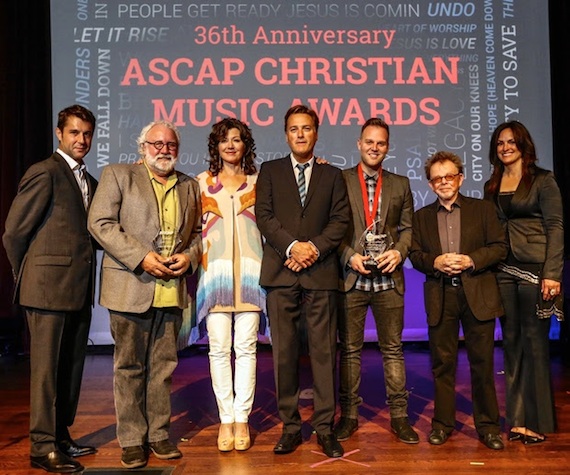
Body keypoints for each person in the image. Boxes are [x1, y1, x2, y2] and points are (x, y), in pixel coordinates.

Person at [87, 120, 202, 469]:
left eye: (170, 144)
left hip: (170, 289)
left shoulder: (189, 185)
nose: (163, 149)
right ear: (143, 146)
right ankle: (133, 439)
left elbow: (197, 233)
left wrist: (190, 256)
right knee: (129, 367)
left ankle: (159, 434)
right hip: (130, 285)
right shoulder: (118, 175)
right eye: (156, 143)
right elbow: (101, 223)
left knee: (164, 367)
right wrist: (142, 258)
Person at [2, 104, 98, 473]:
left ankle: (60, 436)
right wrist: (27, 275)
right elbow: (14, 232)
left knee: (70, 368)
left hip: (77, 288)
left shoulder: (87, 180)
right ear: (60, 133)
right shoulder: (44, 172)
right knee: (45, 372)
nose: (81, 140)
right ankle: (42, 447)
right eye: (74, 133)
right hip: (45, 290)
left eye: (87, 134)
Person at [255, 104, 350, 458]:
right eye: (294, 128)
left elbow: (340, 221)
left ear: (316, 132)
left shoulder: (333, 175)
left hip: (321, 274)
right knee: (284, 355)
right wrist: (293, 247)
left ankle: (324, 428)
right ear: (285, 133)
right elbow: (263, 216)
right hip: (281, 274)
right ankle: (291, 427)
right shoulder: (270, 170)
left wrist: (314, 249)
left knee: (325, 353)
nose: (300, 134)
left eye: (306, 128)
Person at [409, 151, 507, 450]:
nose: (444, 182)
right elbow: (414, 256)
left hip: (477, 293)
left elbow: (500, 247)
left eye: (449, 176)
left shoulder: (483, 210)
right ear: (430, 184)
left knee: (482, 364)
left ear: (461, 178)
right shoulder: (421, 217)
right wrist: (435, 261)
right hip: (441, 295)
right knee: (443, 365)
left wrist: (471, 260)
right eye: (437, 178)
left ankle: (488, 427)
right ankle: (442, 424)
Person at [335, 118, 418, 444]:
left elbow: (408, 229)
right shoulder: (340, 181)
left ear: (387, 147)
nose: (374, 147)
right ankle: (349, 417)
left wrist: (399, 252)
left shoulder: (400, 183)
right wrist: (348, 255)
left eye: (380, 143)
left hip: (388, 280)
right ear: (358, 144)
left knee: (393, 350)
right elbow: (332, 229)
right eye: (369, 141)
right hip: (353, 279)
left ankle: (399, 417)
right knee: (350, 352)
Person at [484, 121, 564, 444]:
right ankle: (517, 421)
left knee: (535, 347)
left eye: (511, 142)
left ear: (523, 144)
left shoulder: (544, 180)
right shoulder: (493, 183)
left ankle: (537, 421)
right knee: (512, 347)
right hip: (503, 269)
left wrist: (553, 273)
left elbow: (556, 226)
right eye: (500, 143)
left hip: (535, 270)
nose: (505, 147)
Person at [196, 117, 266, 452]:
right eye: (224, 140)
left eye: (236, 140)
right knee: (219, 349)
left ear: (245, 144)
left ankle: (242, 418)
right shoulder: (201, 183)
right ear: (216, 145)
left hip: (253, 276)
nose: (230, 145)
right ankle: (225, 418)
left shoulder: (259, 181)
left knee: (247, 348)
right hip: (216, 277)